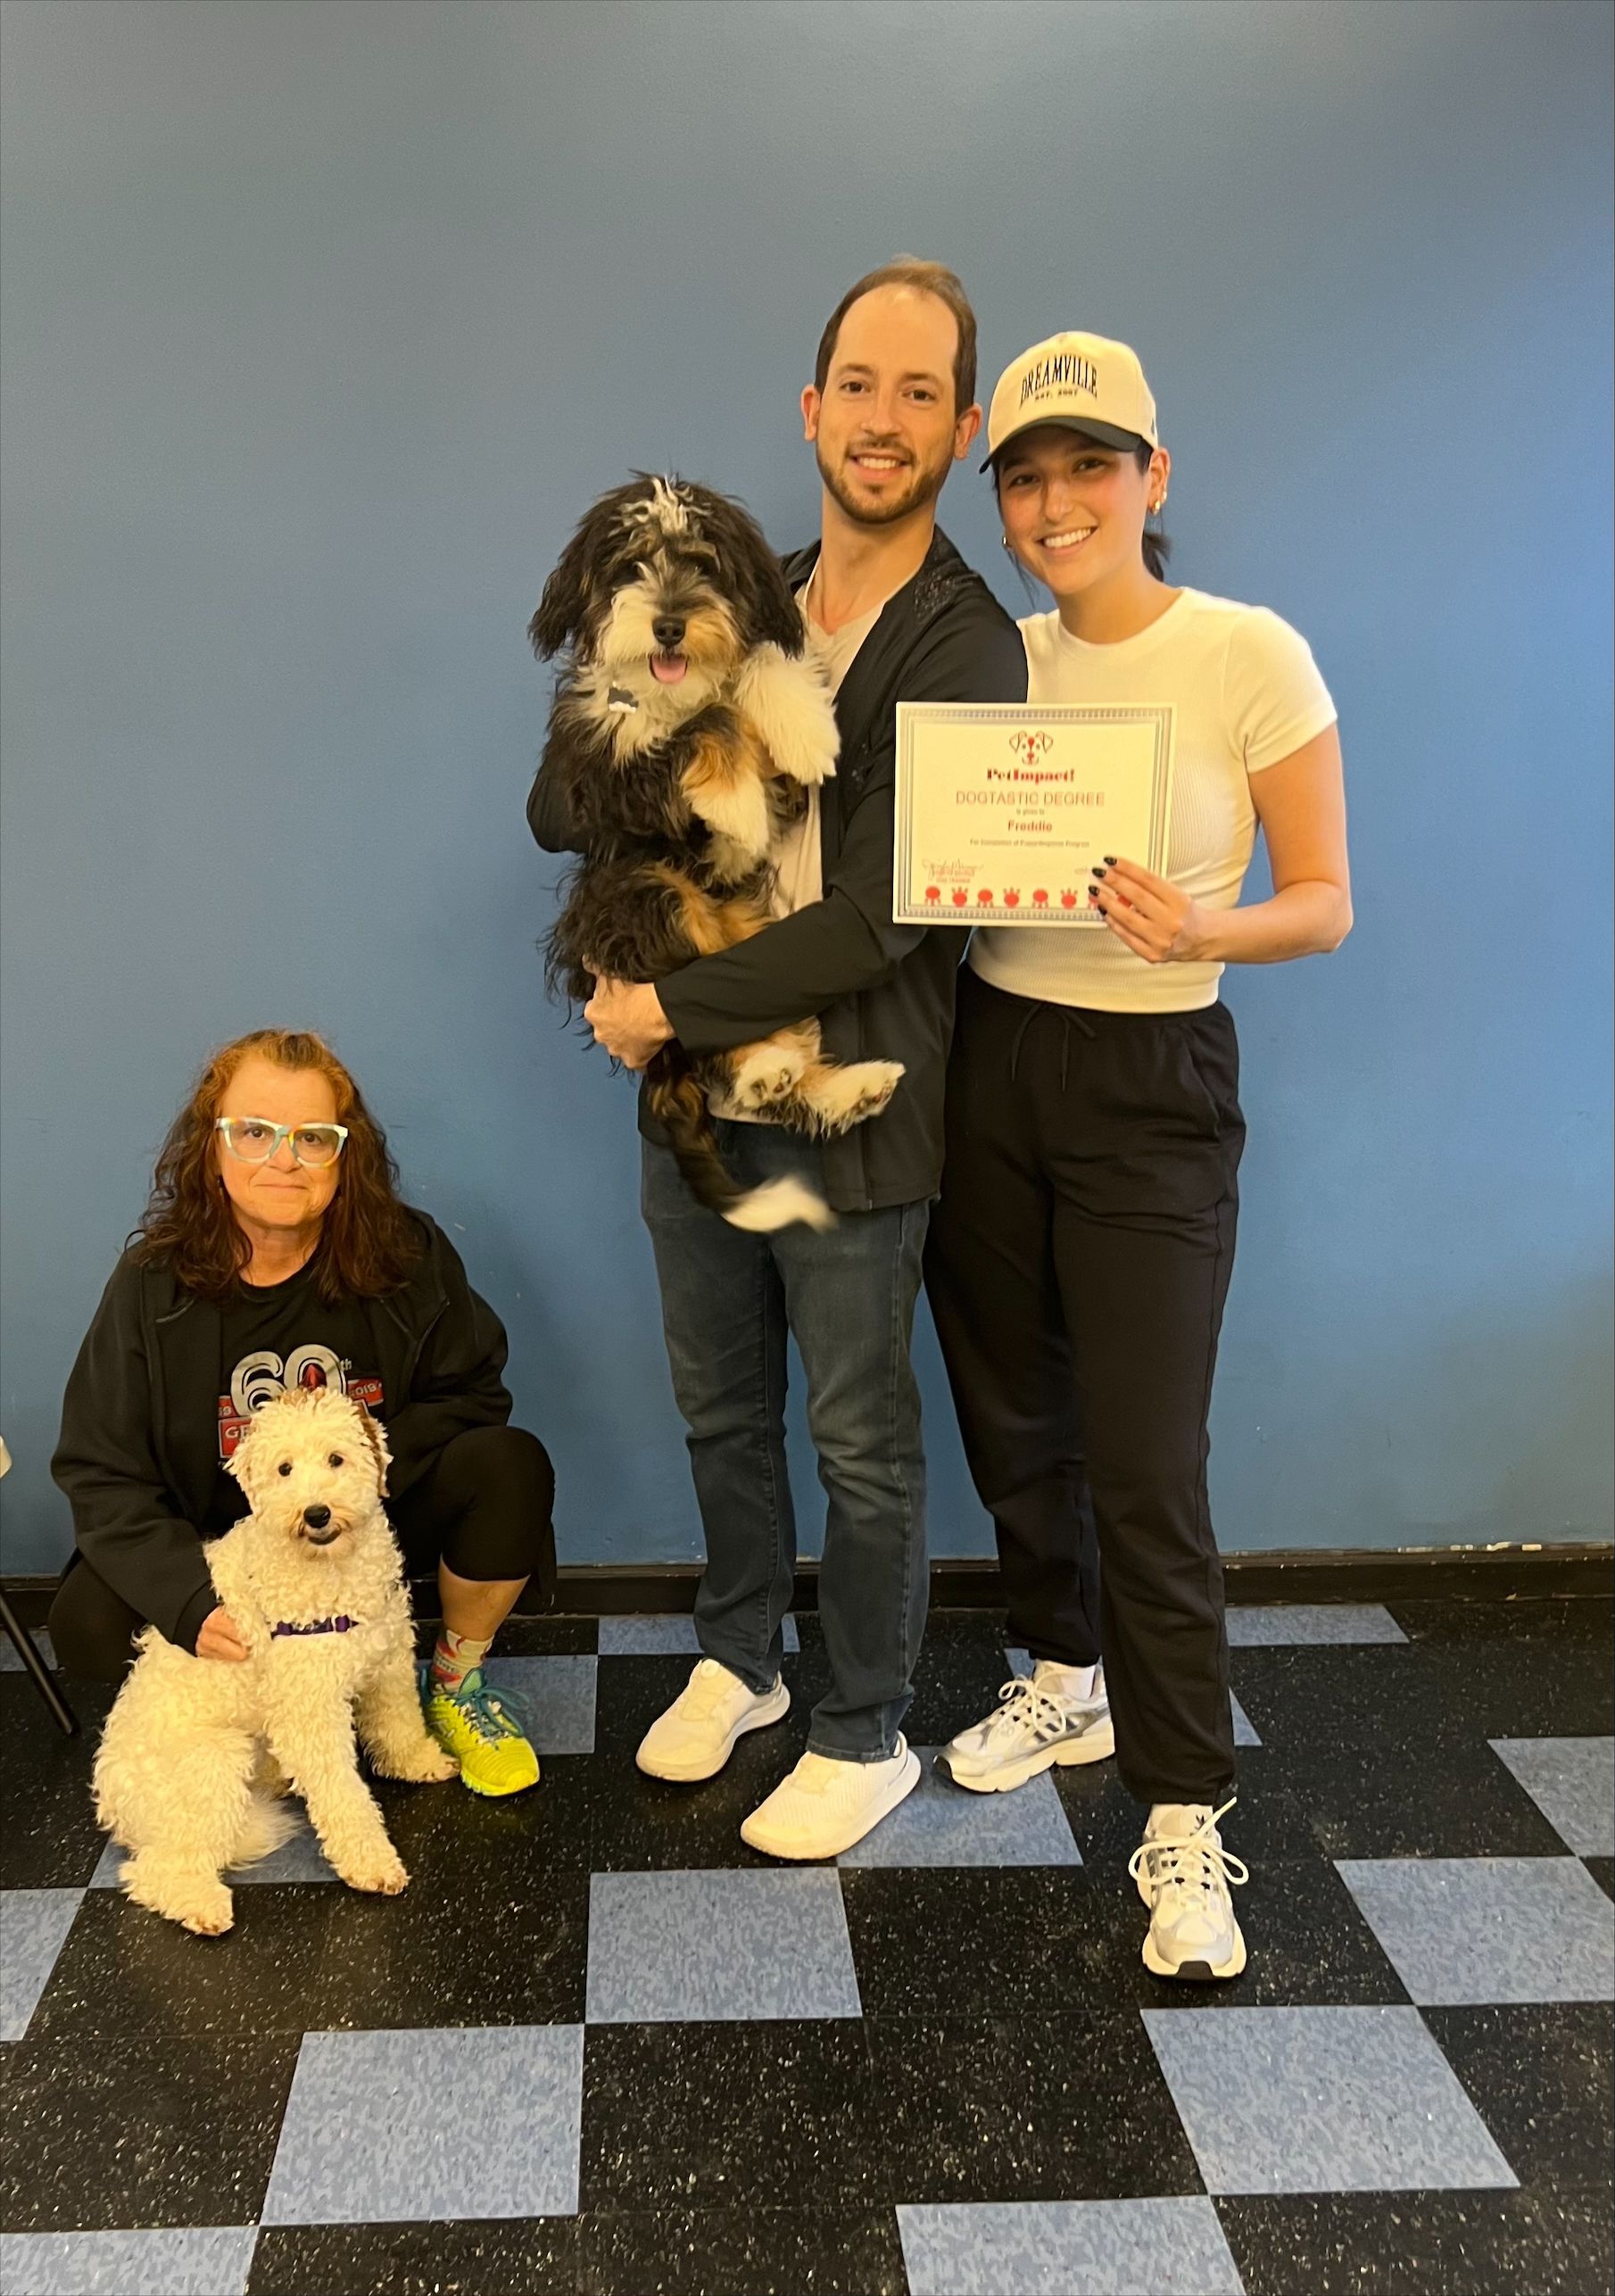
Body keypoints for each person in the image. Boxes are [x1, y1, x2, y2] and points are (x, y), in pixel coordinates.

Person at [530, 258, 1025, 1860]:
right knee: (718, 1403)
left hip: (856, 1104)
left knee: (861, 1437)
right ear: (814, 410)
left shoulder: (964, 648)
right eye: (859, 386)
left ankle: (866, 1725)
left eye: (921, 392)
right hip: (692, 1106)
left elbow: (893, 914)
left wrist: (670, 1007)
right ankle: (741, 1655)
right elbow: (568, 806)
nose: (884, 419)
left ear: (958, 427)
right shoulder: (735, 585)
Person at [926, 332, 1352, 1979]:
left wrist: (1208, 922)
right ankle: (1064, 1674)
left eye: (1088, 469)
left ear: (1151, 479)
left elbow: (1324, 898)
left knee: (1148, 1457)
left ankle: (1185, 1812)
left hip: (1157, 1058)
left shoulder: (1248, 651)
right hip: (990, 1053)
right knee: (1012, 1411)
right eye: (1026, 477)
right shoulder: (988, 657)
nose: (1054, 503)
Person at [50, 1027, 556, 1798]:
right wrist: (191, 1600)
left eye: (311, 1137)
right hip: (227, 1552)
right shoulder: (150, 1285)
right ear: (212, 1149)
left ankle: (451, 1687)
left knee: (510, 1464)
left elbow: (475, 1392)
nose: (282, 1158)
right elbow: (99, 1468)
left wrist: (358, 1471)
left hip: (362, 1528)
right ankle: (250, 1713)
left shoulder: (405, 1254)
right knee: (85, 1618)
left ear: (342, 1156)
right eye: (254, 1132)